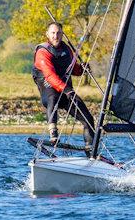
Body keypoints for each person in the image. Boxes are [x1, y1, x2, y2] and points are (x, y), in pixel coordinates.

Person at [32, 21, 96, 155]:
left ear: (62, 34)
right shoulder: (42, 52)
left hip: (66, 92)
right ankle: (53, 132)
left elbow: (73, 68)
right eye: (53, 33)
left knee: (88, 118)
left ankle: (91, 151)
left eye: (58, 33)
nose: (56, 36)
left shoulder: (67, 50)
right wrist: (67, 90)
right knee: (53, 96)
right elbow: (49, 75)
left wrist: (82, 69)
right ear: (47, 34)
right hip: (49, 88)